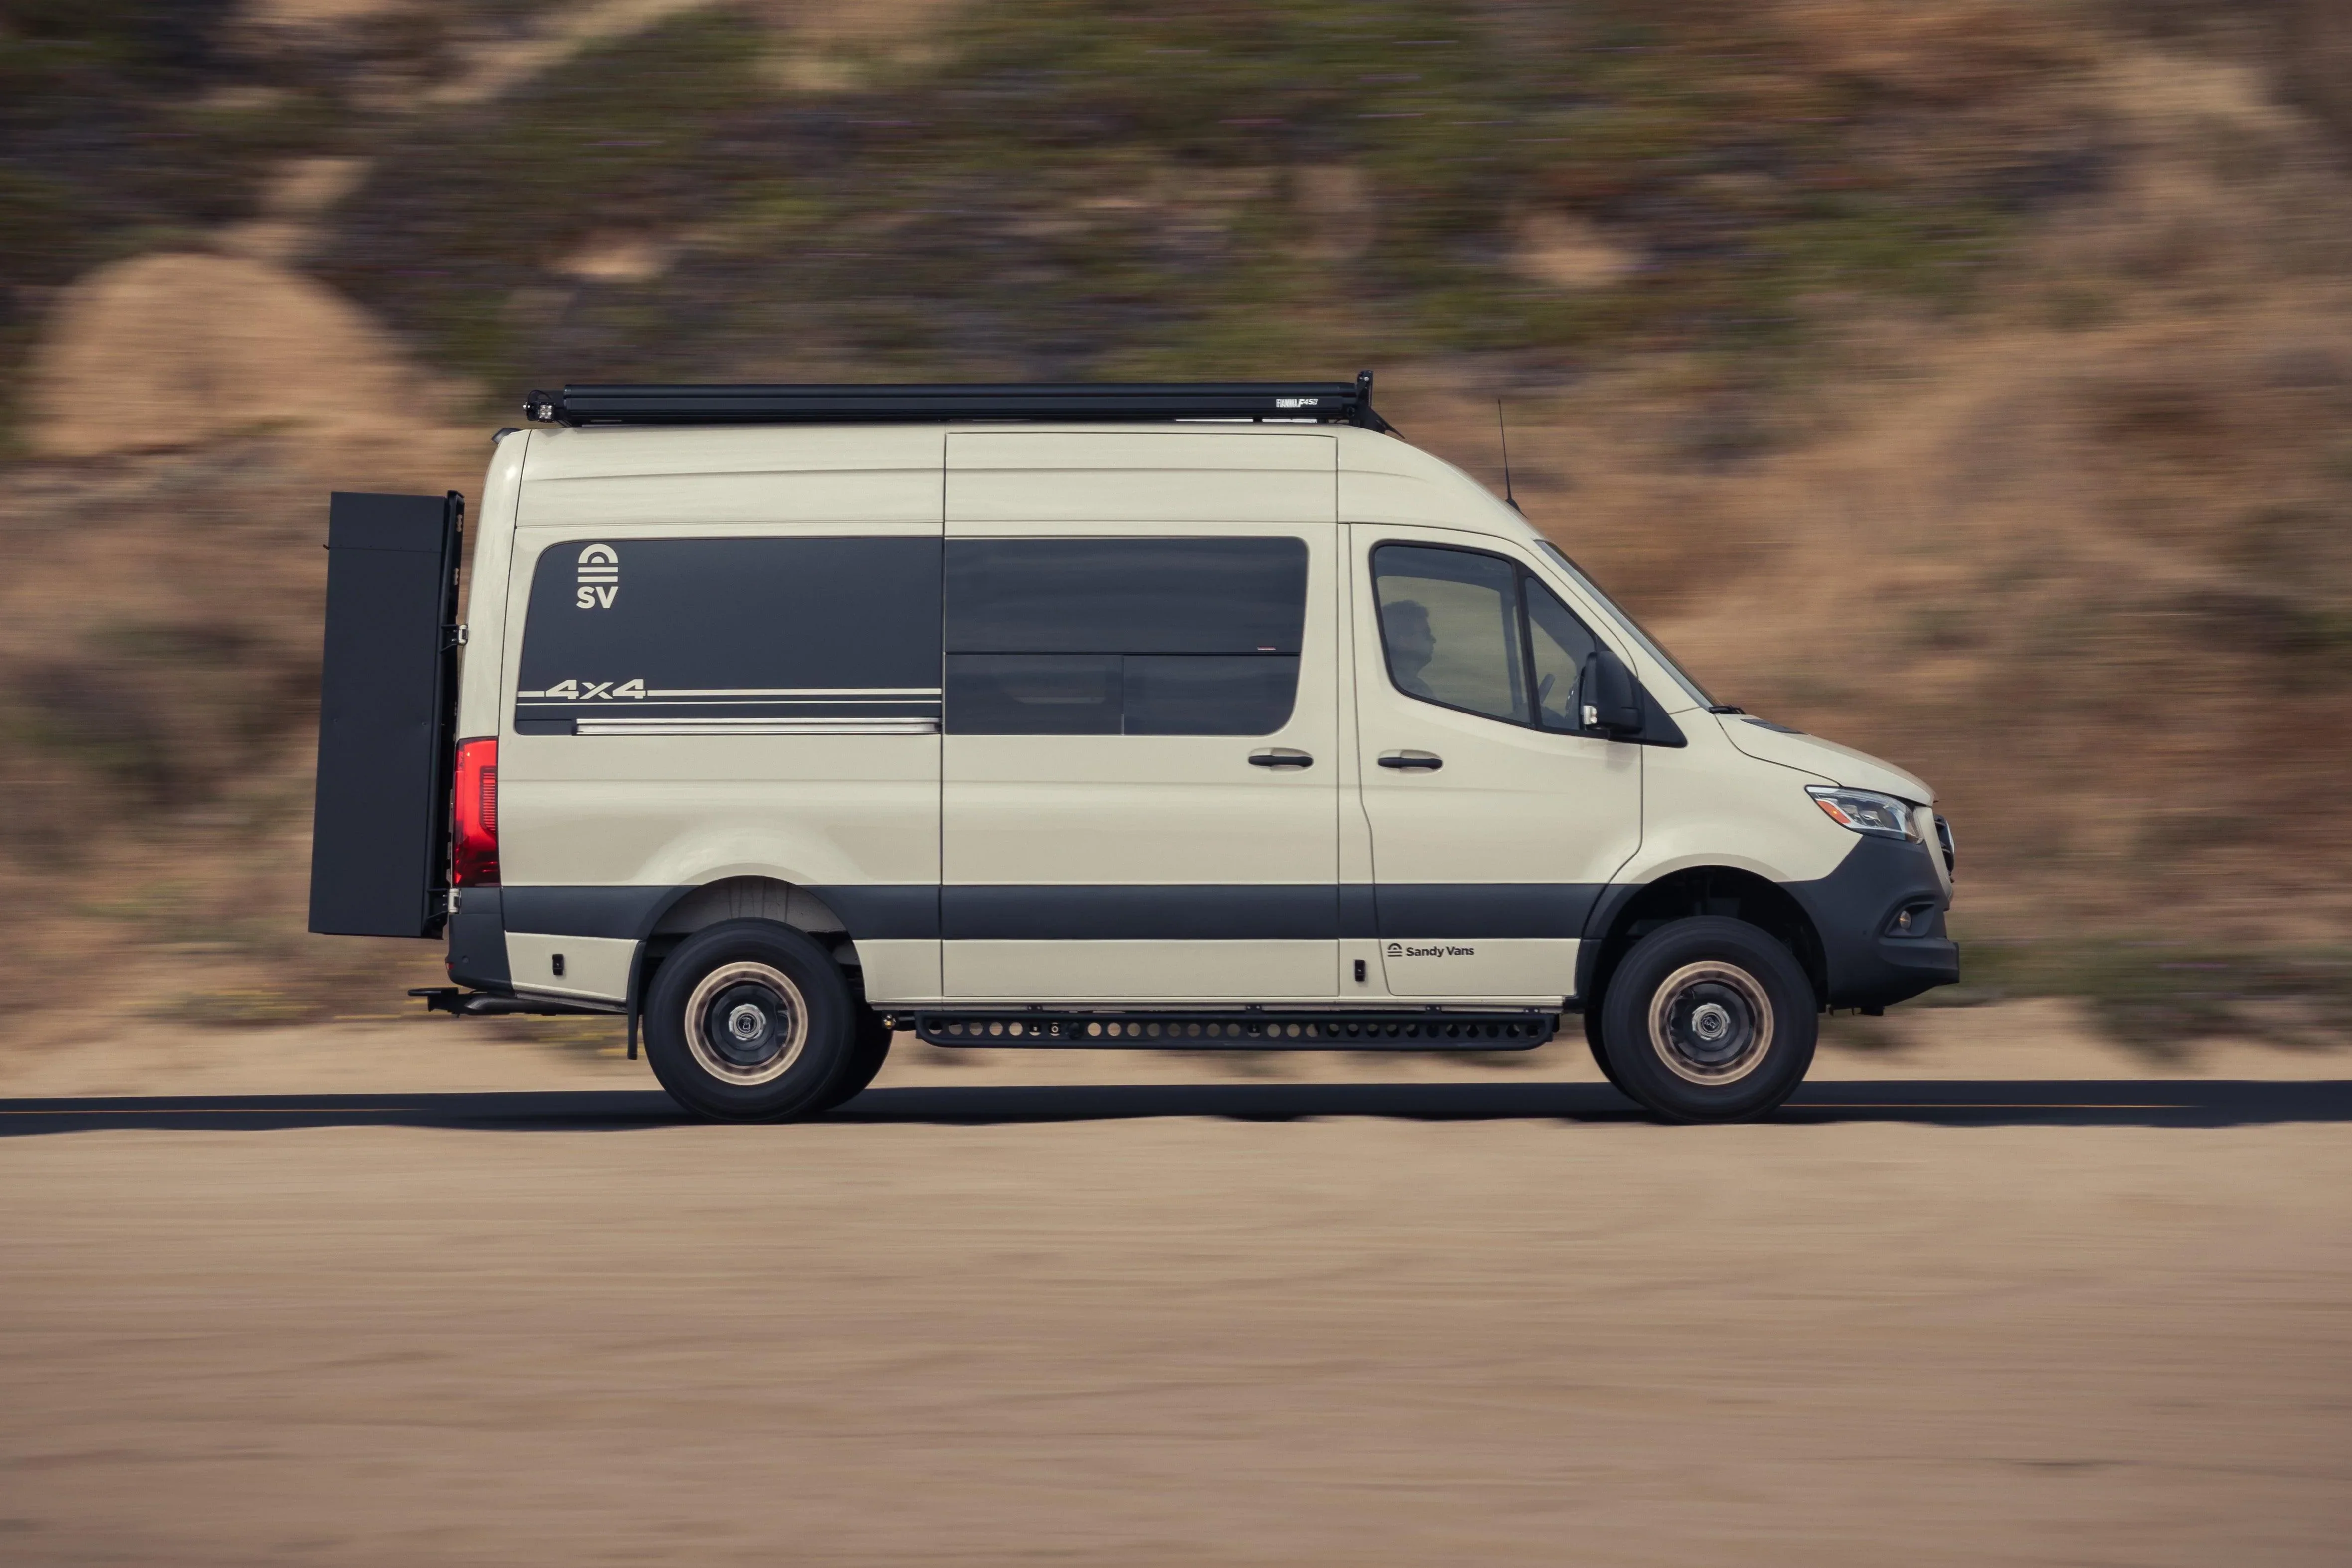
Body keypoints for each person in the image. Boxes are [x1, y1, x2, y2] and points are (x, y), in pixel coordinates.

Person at [1385, 598, 1438, 700]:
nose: (1433, 640)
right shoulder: (1408, 690)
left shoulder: (1407, 686)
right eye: (1426, 634)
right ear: (1404, 640)